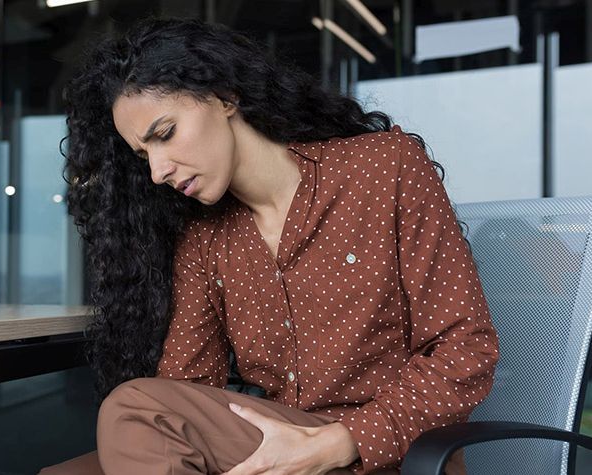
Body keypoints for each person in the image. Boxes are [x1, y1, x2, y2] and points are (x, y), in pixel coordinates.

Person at [42, 17, 500, 475]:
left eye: (164, 134)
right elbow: (185, 386)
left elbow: (466, 349)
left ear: (225, 97)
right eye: (144, 156)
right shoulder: (205, 237)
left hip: (388, 454)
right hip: (276, 444)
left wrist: (337, 444)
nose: (158, 170)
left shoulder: (383, 168)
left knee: (133, 407)